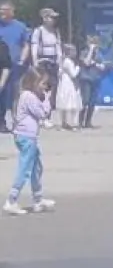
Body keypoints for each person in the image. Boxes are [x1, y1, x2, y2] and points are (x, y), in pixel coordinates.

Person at [3, 67, 54, 215]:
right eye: (42, 84)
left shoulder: (26, 95)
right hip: (27, 137)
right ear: (34, 82)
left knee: (37, 167)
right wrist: (47, 99)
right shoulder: (29, 97)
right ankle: (11, 200)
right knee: (25, 168)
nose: (44, 87)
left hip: (28, 136)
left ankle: (37, 199)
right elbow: (42, 113)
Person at [0, 2, 26, 132]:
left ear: (12, 11)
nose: (2, 13)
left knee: (16, 95)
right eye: (0, 10)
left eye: (5, 10)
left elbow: (26, 44)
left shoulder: (20, 27)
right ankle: (2, 122)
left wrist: (22, 59)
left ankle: (17, 122)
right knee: (2, 93)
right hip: (1, 65)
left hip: (15, 65)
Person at [78, 34, 108, 129]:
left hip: (96, 79)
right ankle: (80, 121)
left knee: (92, 102)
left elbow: (103, 66)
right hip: (86, 79)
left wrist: (96, 64)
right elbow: (86, 62)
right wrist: (91, 50)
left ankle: (88, 122)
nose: (94, 45)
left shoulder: (99, 54)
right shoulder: (84, 52)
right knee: (85, 101)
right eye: (91, 43)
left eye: (95, 43)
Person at [55, 45, 83, 131]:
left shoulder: (63, 60)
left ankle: (64, 123)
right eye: (73, 51)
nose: (75, 53)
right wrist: (78, 67)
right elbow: (73, 74)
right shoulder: (67, 61)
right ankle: (74, 124)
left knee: (65, 102)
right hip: (69, 84)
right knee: (72, 103)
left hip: (64, 83)